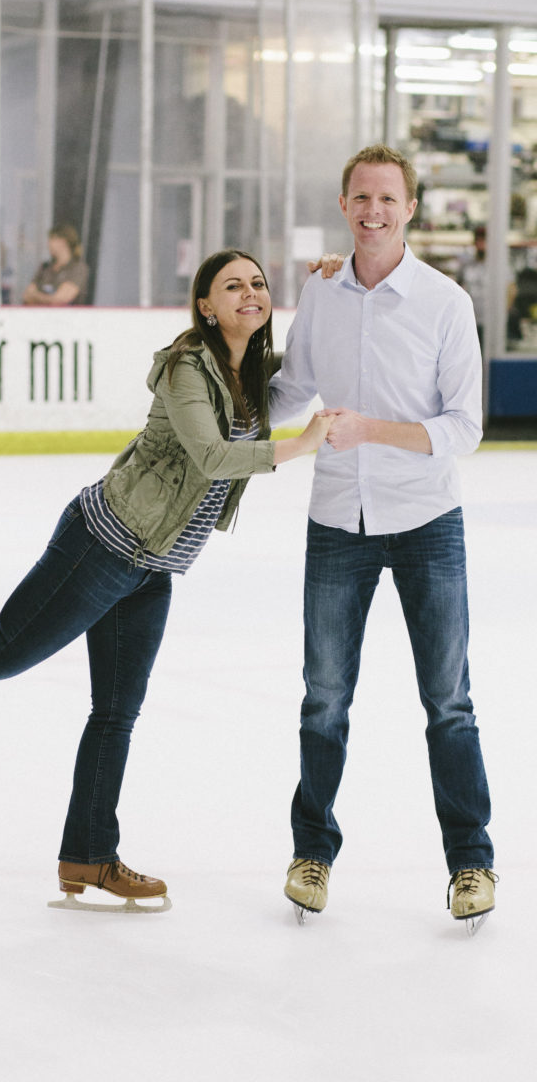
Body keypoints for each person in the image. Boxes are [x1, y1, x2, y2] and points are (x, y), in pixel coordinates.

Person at [0, 248, 332, 910]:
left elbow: (307, 376)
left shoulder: (253, 373)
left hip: (153, 568)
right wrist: (303, 445)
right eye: (232, 285)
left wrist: (322, 294)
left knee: (116, 713)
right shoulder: (186, 368)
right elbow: (212, 454)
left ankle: (89, 856)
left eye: (258, 284)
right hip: (104, 545)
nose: (249, 293)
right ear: (206, 306)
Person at [269, 144, 497, 930]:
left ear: (411, 209)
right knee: (324, 698)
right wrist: (217, 380)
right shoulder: (322, 292)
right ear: (344, 205)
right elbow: (291, 389)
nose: (374, 211)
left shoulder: (444, 302)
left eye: (388, 199)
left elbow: (465, 427)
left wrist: (372, 431)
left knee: (449, 702)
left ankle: (471, 863)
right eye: (361, 197)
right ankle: (311, 856)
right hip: (338, 522)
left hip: (427, 523)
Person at [21, 223, 89, 307]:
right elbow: (27, 295)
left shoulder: (78, 268)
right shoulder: (45, 267)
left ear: (63, 241)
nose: (48, 244)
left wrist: (36, 296)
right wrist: (49, 299)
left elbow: (60, 300)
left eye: (52, 239)